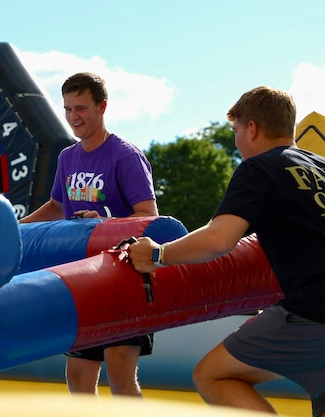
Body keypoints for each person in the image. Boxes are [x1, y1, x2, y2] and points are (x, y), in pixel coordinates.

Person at [128, 86, 325, 416]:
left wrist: (157, 255)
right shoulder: (321, 166)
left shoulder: (260, 167)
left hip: (314, 308)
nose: (236, 141)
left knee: (213, 374)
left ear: (252, 128)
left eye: (236, 131)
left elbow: (219, 239)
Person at [20, 72, 158, 396]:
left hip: (124, 281)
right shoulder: (67, 157)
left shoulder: (126, 155)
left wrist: (105, 222)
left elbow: (149, 217)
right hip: (82, 280)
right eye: (67, 109)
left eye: (80, 108)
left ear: (102, 107)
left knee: (121, 381)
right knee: (79, 381)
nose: (73, 117)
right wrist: (15, 229)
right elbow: (56, 206)